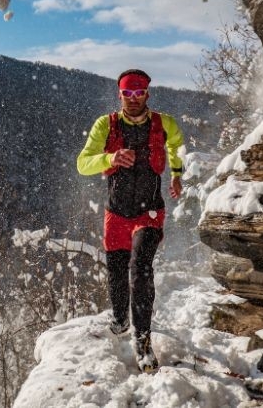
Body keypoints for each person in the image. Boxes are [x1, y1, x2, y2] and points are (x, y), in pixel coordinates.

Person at [76, 69, 184, 373]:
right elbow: (83, 163)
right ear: (119, 94)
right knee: (116, 272)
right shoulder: (105, 125)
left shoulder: (165, 124)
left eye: (139, 93)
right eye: (128, 93)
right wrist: (109, 158)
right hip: (116, 212)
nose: (133, 99)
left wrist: (177, 173)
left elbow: (177, 144)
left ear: (147, 94)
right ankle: (121, 318)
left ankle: (143, 340)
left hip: (150, 211)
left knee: (140, 269)